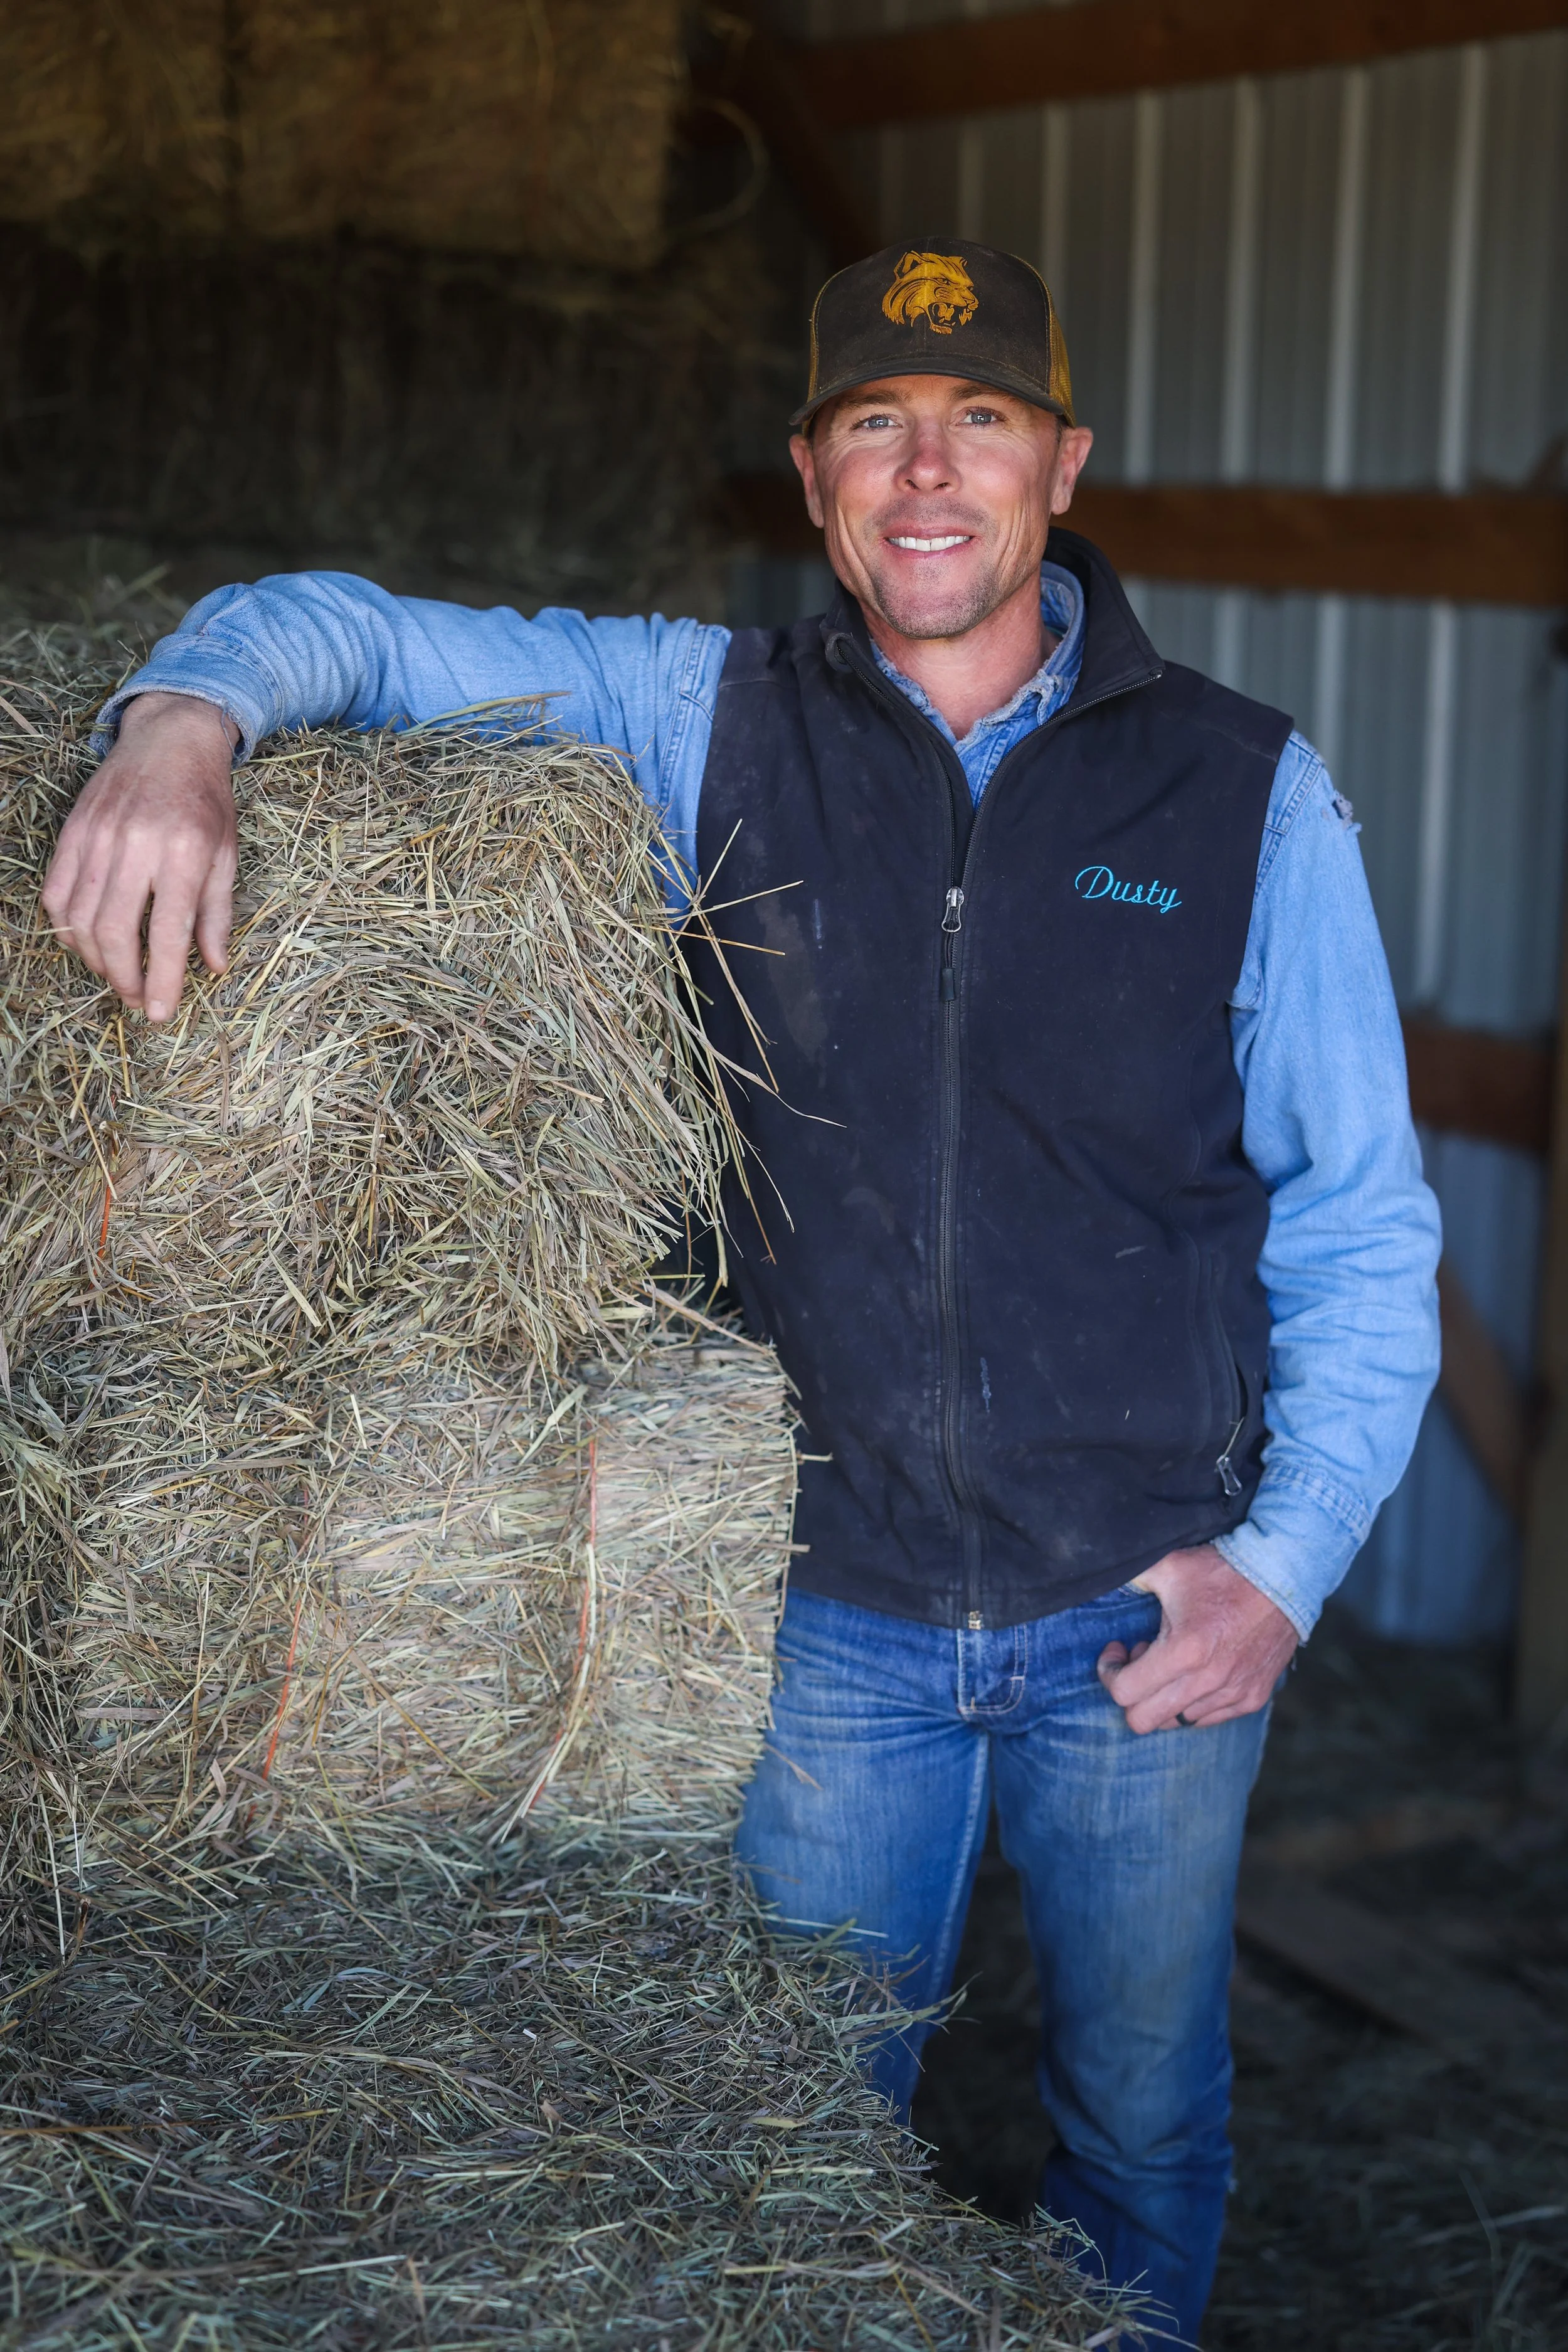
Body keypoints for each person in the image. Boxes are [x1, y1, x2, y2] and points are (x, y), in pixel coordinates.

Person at [41, 240, 1441, 2344]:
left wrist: (1287, 1562)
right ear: (809, 478)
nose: (927, 471)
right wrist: (180, 718)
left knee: (1141, 2124)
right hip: (830, 1631)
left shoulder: (1247, 790)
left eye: (978, 419)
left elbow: (1363, 1219)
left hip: (1145, 1619)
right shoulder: (698, 711)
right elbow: (342, 625)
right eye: (874, 422)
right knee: (795, 2143)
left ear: (1064, 460)